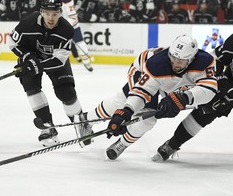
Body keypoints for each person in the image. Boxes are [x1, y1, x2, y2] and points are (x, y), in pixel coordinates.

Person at [89, 34, 217, 160]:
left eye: (181, 61)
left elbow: (209, 89)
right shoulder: (156, 64)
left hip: (166, 84)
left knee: (146, 119)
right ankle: (88, 119)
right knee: (125, 104)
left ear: (191, 59)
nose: (175, 64)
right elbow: (142, 91)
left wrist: (185, 98)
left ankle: (122, 143)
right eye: (173, 58)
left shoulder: (204, 63)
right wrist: (126, 111)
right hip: (142, 70)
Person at [152, 16, 233, 164]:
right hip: (232, 79)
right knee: (205, 111)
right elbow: (216, 59)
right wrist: (218, 78)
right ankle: (172, 144)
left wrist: (225, 97)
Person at [9, 0, 92, 147]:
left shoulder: (66, 30)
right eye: (47, 13)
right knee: (31, 86)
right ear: (41, 12)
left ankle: (81, 124)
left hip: (54, 59)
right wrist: (28, 58)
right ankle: (47, 126)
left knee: (65, 92)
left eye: (54, 13)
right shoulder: (27, 23)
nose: (51, 17)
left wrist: (38, 65)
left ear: (60, 13)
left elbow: (59, 60)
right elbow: (13, 43)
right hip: (30, 57)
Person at [53, 0, 93, 72]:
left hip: (73, 26)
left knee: (80, 43)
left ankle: (86, 62)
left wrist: (66, 27)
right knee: (57, 46)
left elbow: (73, 17)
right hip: (59, 27)